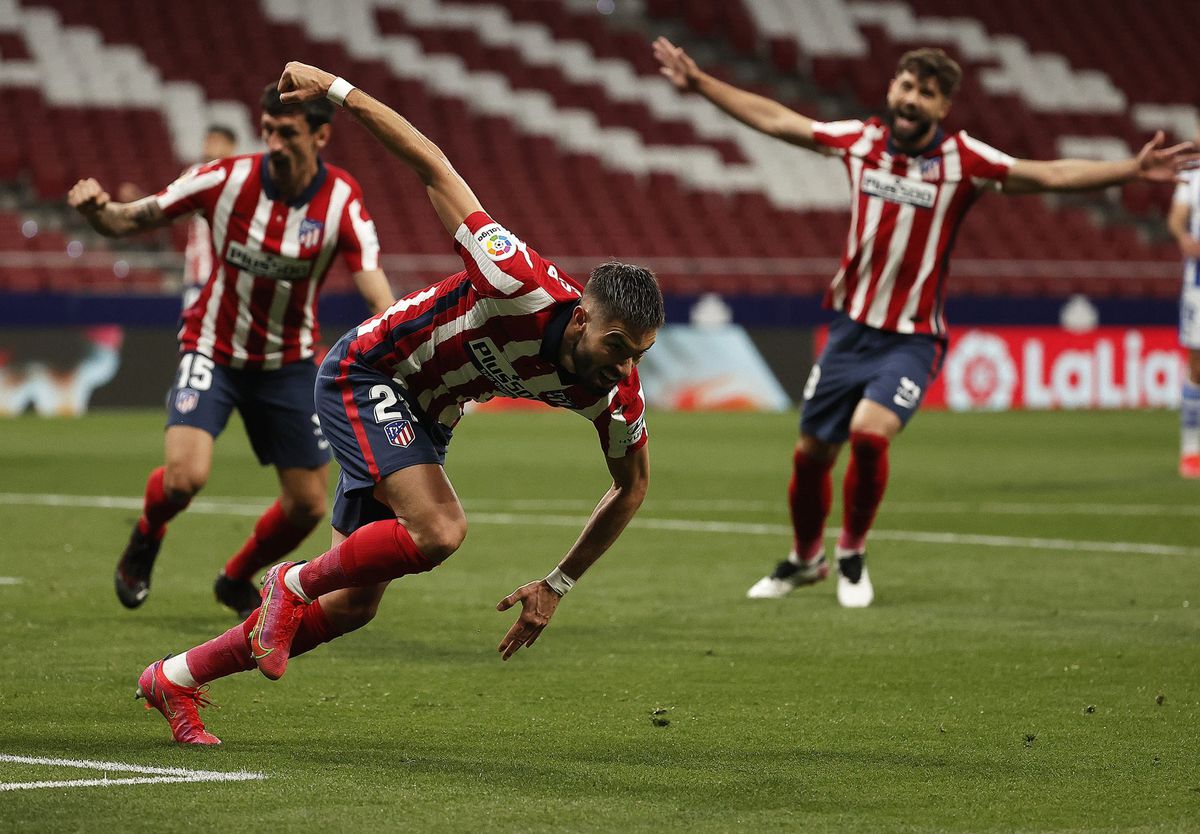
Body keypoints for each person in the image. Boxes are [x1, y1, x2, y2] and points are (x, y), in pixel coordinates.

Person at [131, 61, 663, 745]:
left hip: (423, 418)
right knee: (440, 530)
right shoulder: (516, 279)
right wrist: (338, 91)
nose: (625, 365)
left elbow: (631, 486)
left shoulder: (614, 391)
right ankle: (289, 582)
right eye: (619, 345)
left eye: (639, 354)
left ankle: (174, 678)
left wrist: (557, 583)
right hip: (368, 371)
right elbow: (433, 165)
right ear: (585, 316)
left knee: (354, 606)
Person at [652, 39, 1197, 607]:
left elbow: (1052, 174)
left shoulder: (965, 161)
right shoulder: (860, 142)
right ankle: (805, 558)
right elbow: (780, 120)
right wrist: (703, 85)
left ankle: (852, 553)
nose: (912, 99)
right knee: (811, 453)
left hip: (912, 338)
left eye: (927, 94)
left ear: (943, 109)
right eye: (907, 87)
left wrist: (1132, 169)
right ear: (892, 90)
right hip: (849, 330)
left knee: (868, 432)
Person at [68, 84, 394, 620]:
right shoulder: (225, 179)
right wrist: (98, 211)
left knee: (308, 504)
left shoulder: (341, 199)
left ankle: (235, 577)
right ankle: (147, 536)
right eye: (268, 131)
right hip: (213, 349)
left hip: (288, 362)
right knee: (185, 478)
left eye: (287, 133)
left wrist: (390, 342)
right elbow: (131, 218)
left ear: (321, 135)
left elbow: (374, 286)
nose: (275, 143)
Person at [116, 124, 240, 310]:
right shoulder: (196, 173)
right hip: (201, 276)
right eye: (207, 140)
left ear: (231, 147)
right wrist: (139, 202)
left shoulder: (241, 178)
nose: (208, 145)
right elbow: (168, 206)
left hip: (232, 278)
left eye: (215, 141)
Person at [1167, 137, 1200, 478]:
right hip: (1199, 284)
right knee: (1197, 364)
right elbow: (1176, 219)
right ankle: (1191, 451)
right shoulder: (1193, 175)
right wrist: (1183, 238)